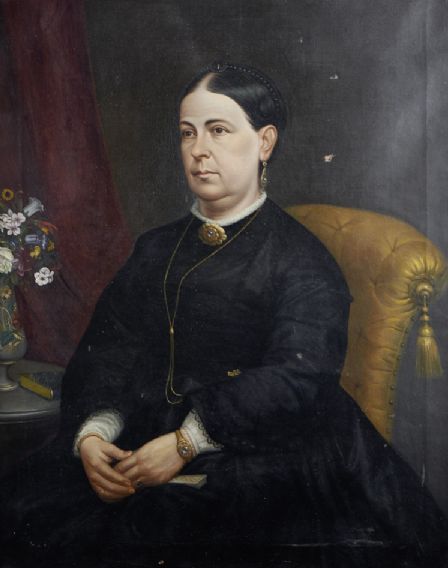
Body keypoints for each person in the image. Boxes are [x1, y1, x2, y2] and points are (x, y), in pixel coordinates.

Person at [1, 62, 447, 568]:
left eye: (218, 130)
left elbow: (298, 376)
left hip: (269, 447)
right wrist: (94, 434)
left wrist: (186, 443)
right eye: (187, 133)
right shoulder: (155, 248)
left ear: (265, 142)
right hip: (145, 431)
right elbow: (109, 347)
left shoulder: (299, 257)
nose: (199, 150)